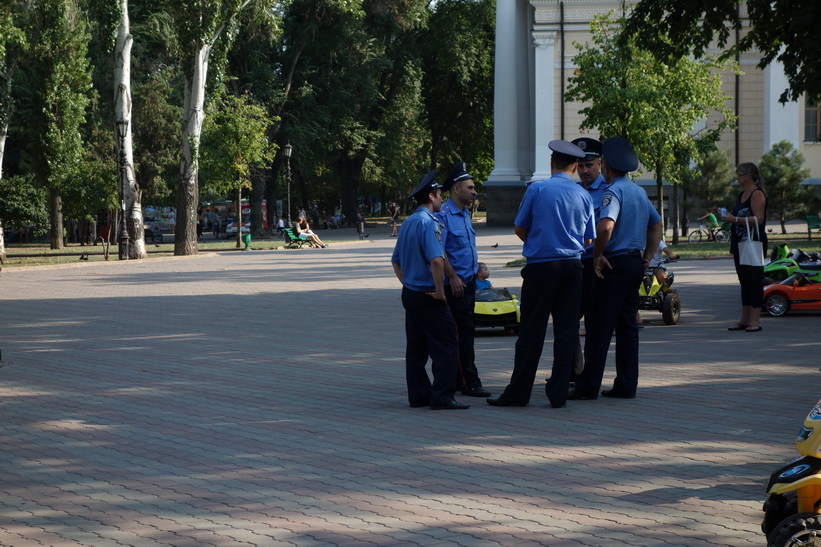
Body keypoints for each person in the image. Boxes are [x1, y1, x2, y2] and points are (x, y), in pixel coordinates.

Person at [487, 140, 595, 409]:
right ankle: (558, 394)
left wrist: (538, 241)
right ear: (575, 167)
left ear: (551, 164)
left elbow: (520, 228)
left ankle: (518, 392)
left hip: (540, 267)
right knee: (566, 331)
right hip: (572, 268)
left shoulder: (537, 189)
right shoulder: (584, 195)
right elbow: (589, 239)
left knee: (531, 331)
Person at [568, 136, 663, 401]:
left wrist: (598, 255)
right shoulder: (639, 191)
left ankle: (588, 387)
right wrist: (647, 258)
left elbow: (605, 226)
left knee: (598, 326)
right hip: (633, 262)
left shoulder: (613, 192)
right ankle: (626, 384)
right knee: (627, 326)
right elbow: (656, 225)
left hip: (613, 264)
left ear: (605, 166)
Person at [391, 171, 468, 410]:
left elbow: (395, 261)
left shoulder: (408, 223)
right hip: (428, 294)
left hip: (412, 293)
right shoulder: (429, 223)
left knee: (416, 348)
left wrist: (408, 283)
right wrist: (439, 292)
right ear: (431, 196)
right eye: (440, 196)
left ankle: (419, 396)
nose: (441, 201)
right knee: (446, 344)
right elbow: (437, 260)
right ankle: (443, 396)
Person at [437, 162, 491, 399]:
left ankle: (461, 379)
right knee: (462, 334)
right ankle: (468, 381)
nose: (474, 191)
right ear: (456, 189)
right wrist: (452, 275)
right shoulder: (445, 215)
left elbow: (464, 248)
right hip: (454, 286)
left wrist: (478, 267)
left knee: (467, 333)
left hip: (468, 282)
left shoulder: (465, 214)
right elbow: (440, 250)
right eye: (469, 187)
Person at [571, 137, 610, 364]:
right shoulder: (573, 191)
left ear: (600, 164)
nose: (584, 170)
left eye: (589, 165)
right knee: (569, 319)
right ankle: (575, 368)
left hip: (597, 263)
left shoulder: (609, 191)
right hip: (576, 262)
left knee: (595, 321)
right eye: (581, 166)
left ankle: (590, 373)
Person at [720, 162, 767, 333]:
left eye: (739, 175)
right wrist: (729, 218)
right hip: (739, 242)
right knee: (744, 281)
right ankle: (744, 319)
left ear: (748, 176)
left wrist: (734, 220)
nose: (737, 178)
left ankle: (756, 320)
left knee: (754, 281)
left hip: (753, 242)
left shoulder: (757, 194)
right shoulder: (742, 194)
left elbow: (758, 220)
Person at [636, 239, 678, 326]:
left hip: (657, 267)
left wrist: (671, 255)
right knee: (634, 282)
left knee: (664, 279)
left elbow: (667, 251)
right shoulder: (639, 241)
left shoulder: (658, 242)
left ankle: (666, 294)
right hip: (642, 268)